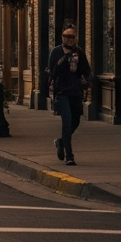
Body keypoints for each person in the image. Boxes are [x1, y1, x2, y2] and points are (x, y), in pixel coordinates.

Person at [47, 28, 91, 166]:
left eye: (71, 37)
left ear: (75, 38)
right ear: (62, 37)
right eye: (66, 36)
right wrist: (64, 59)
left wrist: (87, 81)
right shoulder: (56, 52)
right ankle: (69, 156)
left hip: (76, 91)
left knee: (76, 120)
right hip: (61, 92)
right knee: (66, 122)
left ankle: (61, 141)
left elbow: (86, 70)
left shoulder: (79, 52)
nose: (69, 39)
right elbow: (52, 71)